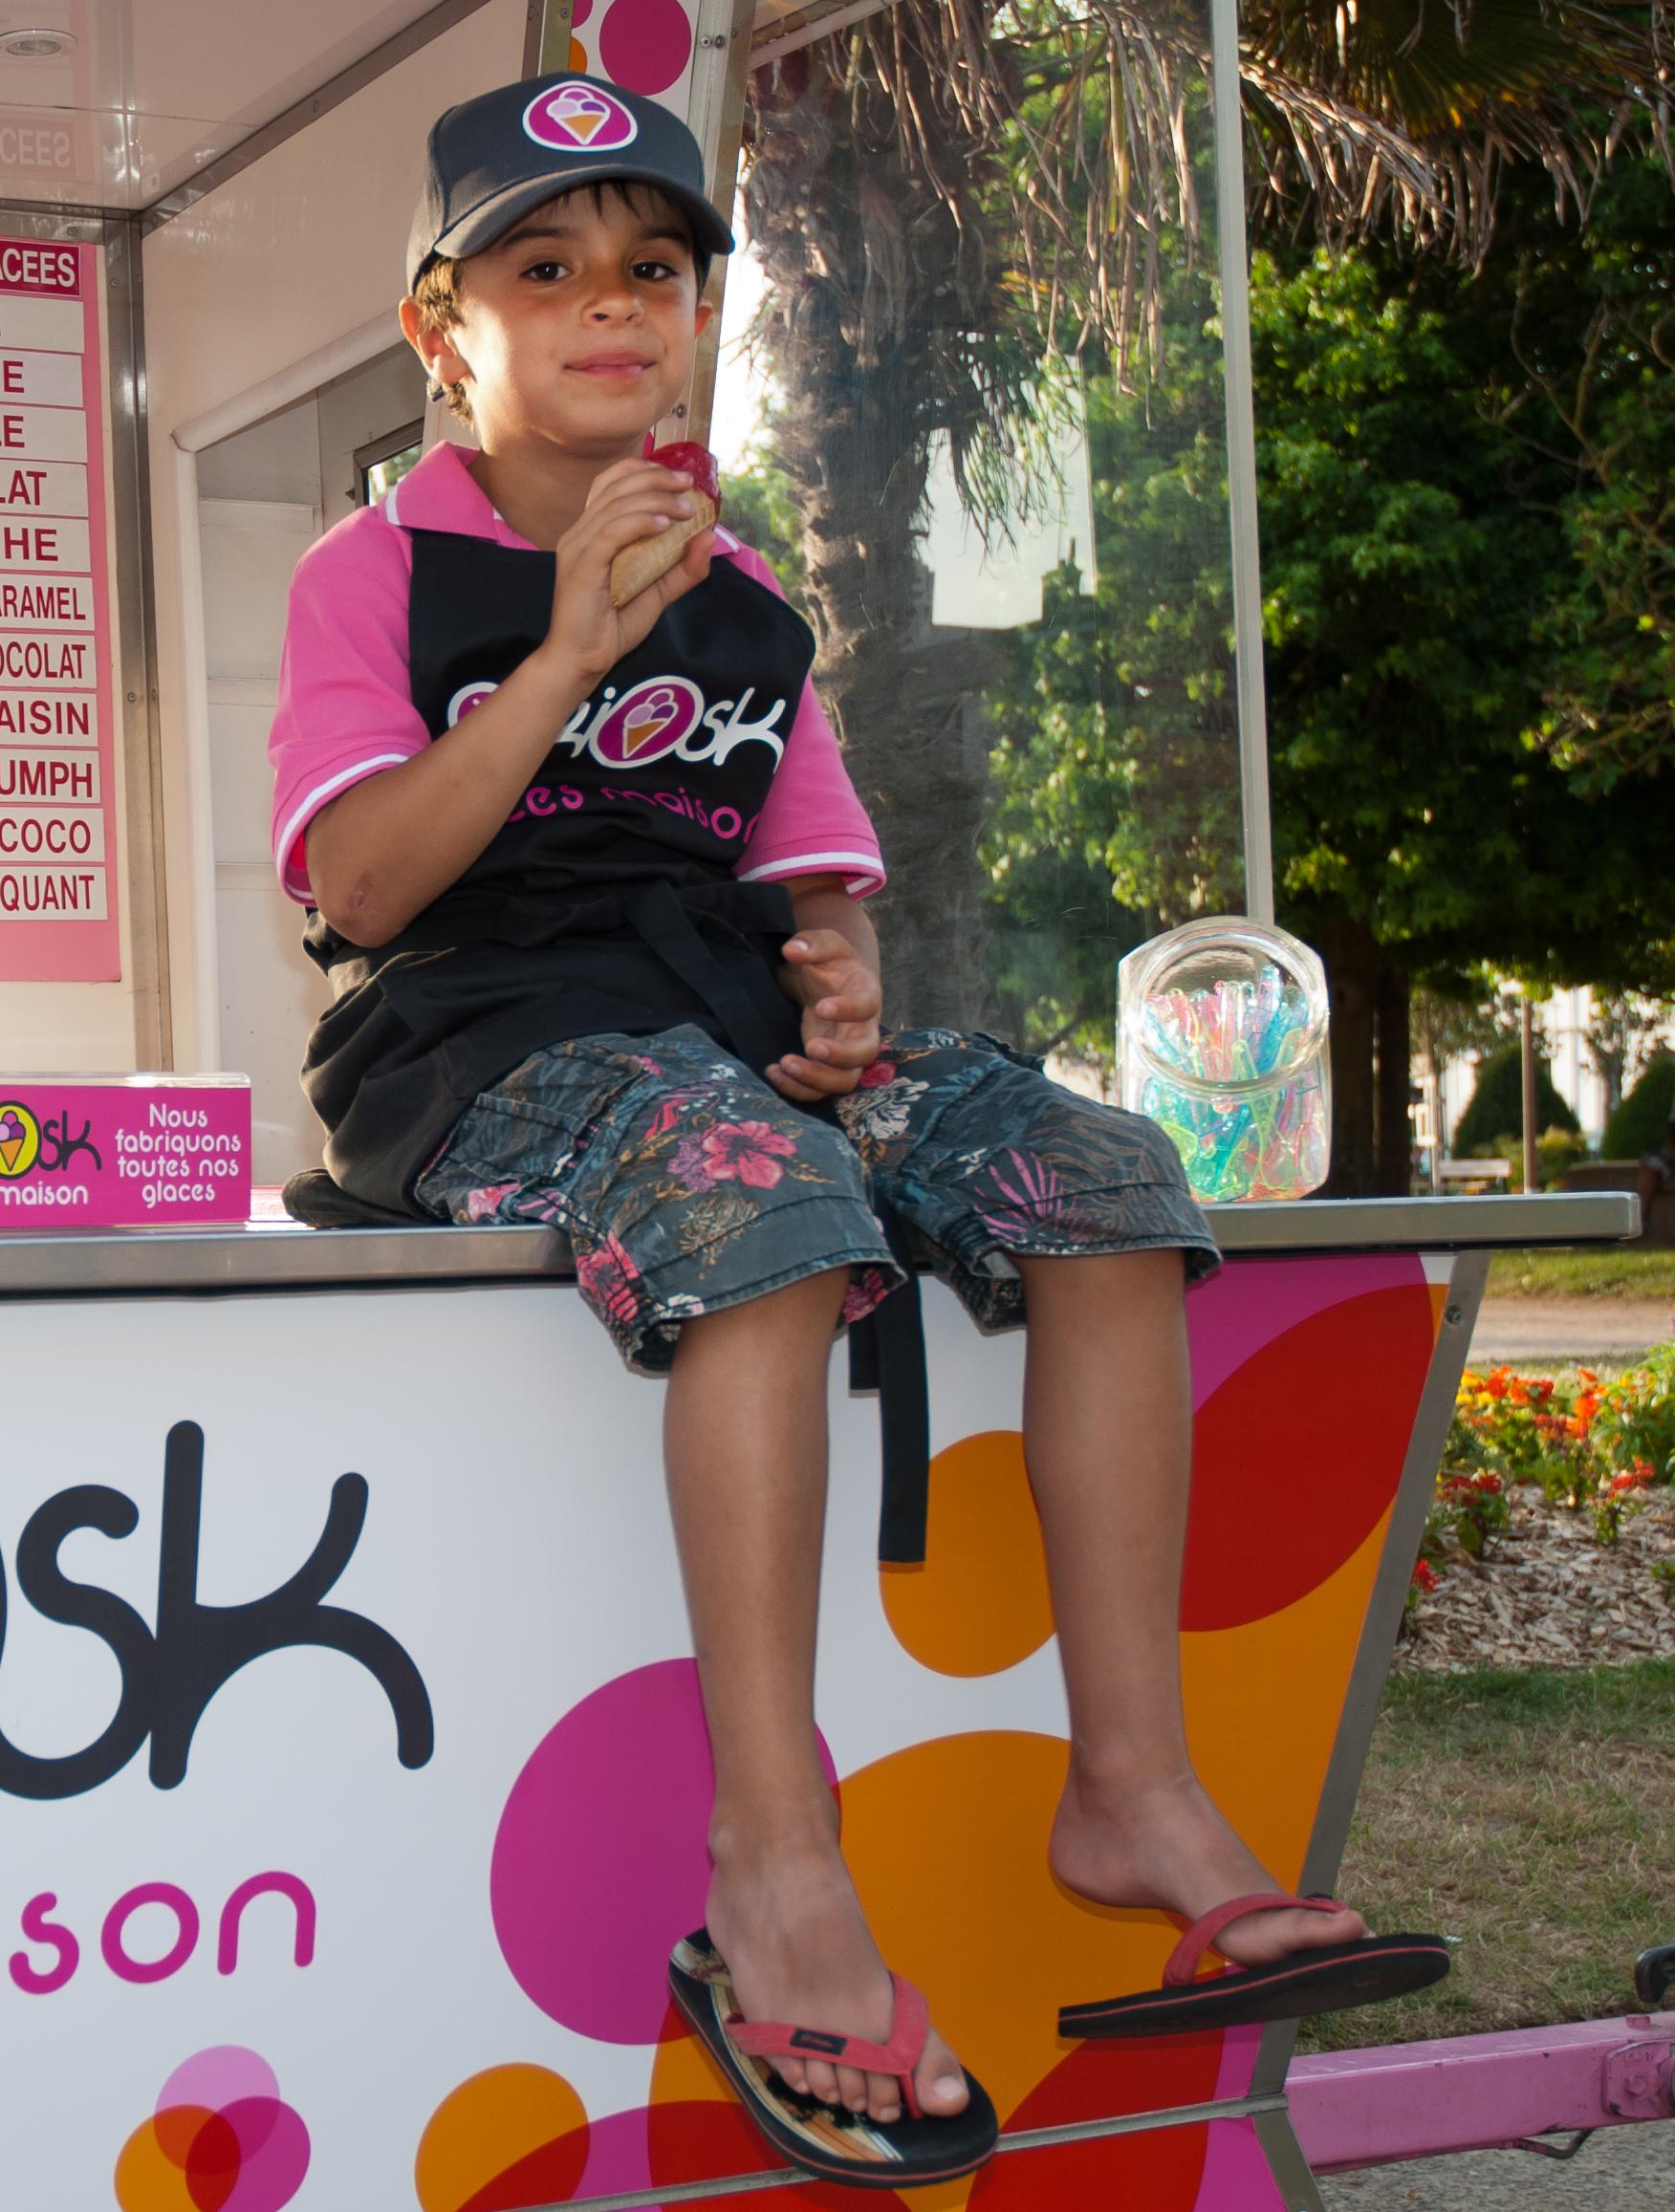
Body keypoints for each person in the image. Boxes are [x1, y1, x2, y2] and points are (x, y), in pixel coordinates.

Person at [265, 71, 1448, 2189]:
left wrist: (831, 975)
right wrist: (559, 653)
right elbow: (357, 890)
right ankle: (774, 1858)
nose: (609, 308)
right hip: (475, 1037)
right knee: (768, 1205)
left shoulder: (747, 595)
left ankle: (1128, 1780)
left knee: (1096, 1171)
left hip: (712, 1033)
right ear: (444, 332)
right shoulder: (378, 574)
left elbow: (810, 884)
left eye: (654, 270)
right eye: (545, 270)